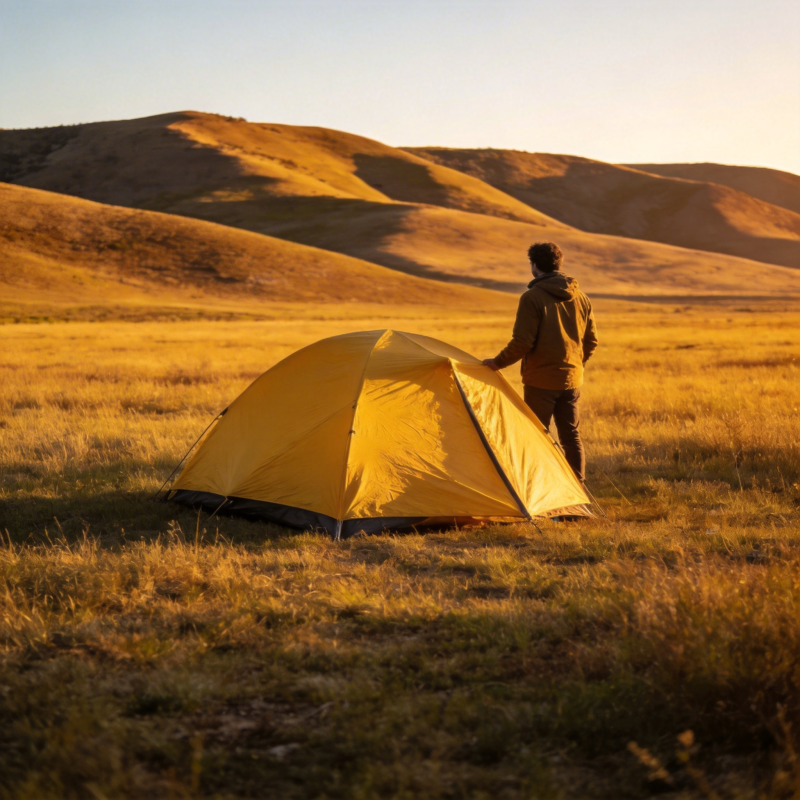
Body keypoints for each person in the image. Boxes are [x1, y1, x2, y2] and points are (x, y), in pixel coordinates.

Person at [483, 242, 598, 485]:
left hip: (540, 381)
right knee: (571, 436)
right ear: (559, 263)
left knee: (535, 436)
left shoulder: (532, 297)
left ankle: (538, 489)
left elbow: (522, 342)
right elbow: (592, 341)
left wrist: (497, 363)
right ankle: (578, 489)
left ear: (534, 266)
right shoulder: (582, 298)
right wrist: (576, 364)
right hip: (572, 379)